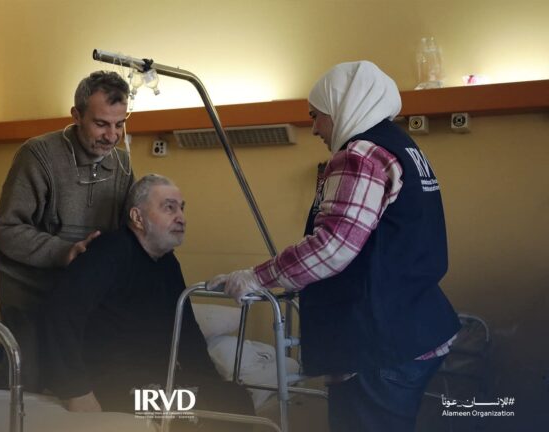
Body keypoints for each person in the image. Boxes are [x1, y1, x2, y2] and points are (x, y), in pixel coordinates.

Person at [209, 61, 461, 432]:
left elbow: (332, 247)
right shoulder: (404, 148)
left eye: (316, 116)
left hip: (379, 342)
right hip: (415, 325)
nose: (314, 129)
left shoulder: (360, 154)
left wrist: (256, 277)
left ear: (342, 106)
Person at [0, 71, 134, 392]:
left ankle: (10, 358)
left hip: (83, 293)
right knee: (26, 382)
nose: (112, 136)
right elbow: (7, 229)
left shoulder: (122, 165)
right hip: (31, 290)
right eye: (101, 124)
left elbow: (123, 234)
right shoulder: (38, 155)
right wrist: (64, 251)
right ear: (76, 115)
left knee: (86, 379)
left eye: (119, 124)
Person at [38, 174, 255, 431]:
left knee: (234, 398)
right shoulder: (109, 252)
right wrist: (76, 391)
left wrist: (210, 380)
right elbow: (60, 312)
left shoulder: (168, 262)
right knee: (201, 410)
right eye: (169, 208)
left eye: (181, 208)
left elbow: (186, 331)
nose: (181, 218)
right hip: (110, 382)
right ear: (137, 217)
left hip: (153, 378)